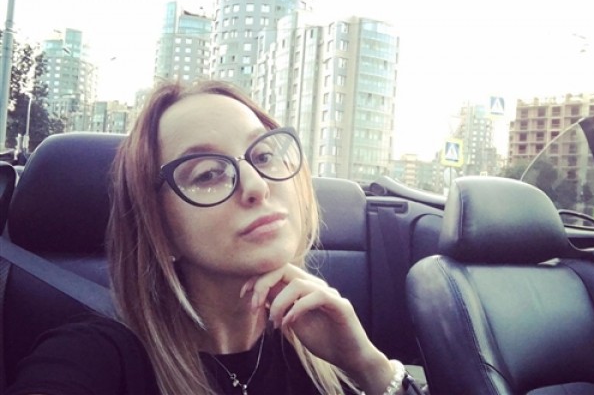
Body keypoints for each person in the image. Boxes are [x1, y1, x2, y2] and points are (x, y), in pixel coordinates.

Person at [7, 80, 414, 395]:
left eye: (264, 155)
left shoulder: (326, 345)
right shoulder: (94, 359)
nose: (256, 186)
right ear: (159, 229)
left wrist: (369, 366)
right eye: (207, 174)